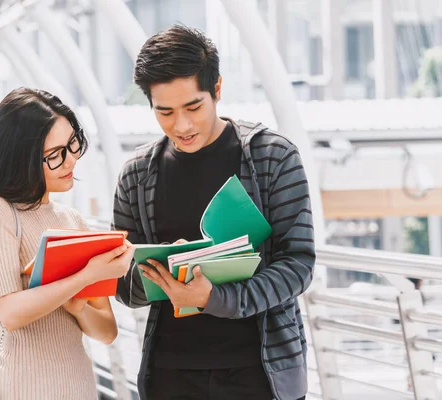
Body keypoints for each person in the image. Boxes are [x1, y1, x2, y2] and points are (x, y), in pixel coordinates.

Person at [113, 25, 314, 400]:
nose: (182, 125)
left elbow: (299, 264)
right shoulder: (136, 175)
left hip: (261, 374)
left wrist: (213, 298)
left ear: (217, 90)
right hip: (171, 375)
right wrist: (158, 273)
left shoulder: (273, 157)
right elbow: (121, 284)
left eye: (193, 107)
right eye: (165, 112)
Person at [0, 87, 135, 400]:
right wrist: (85, 277)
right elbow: (10, 314)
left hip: (80, 389)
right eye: (56, 155)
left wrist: (79, 308)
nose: (71, 160)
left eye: (73, 143)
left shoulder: (72, 220)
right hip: (24, 391)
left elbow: (107, 331)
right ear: (22, 158)